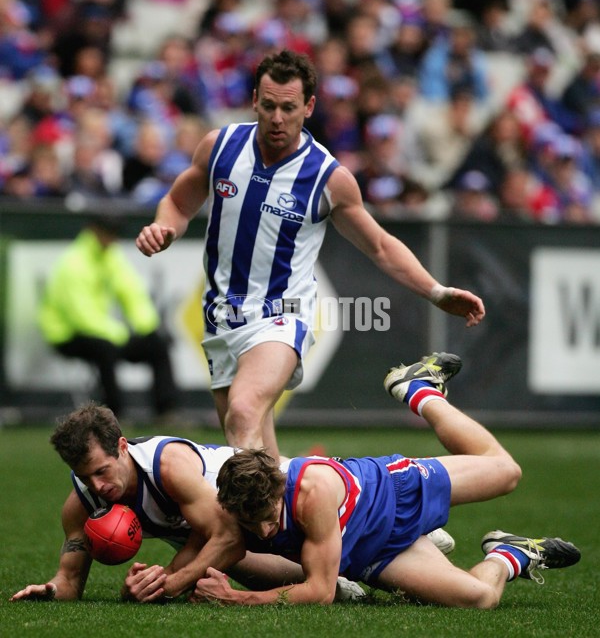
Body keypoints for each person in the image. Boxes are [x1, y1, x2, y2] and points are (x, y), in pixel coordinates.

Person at [135, 50, 485, 460]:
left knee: (243, 414)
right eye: (268, 106)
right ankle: (311, 515)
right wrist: (164, 229)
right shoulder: (220, 147)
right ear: (254, 100)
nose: (277, 118)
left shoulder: (326, 176)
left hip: (281, 315)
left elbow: (379, 245)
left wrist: (437, 292)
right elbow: (178, 203)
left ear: (309, 106)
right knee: (256, 457)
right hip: (221, 316)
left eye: (288, 107)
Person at [193, 352, 581, 607]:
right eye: (250, 521)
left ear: (278, 488)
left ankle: (419, 390)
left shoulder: (313, 493)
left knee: (507, 473)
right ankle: (510, 554)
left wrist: (234, 599)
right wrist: (170, 581)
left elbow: (319, 591)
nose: (262, 530)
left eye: (267, 515)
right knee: (478, 598)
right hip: (376, 555)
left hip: (399, 492)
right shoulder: (236, 501)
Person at [8, 401, 416, 603]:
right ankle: (343, 577)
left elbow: (227, 539)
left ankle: (401, 534)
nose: (97, 485)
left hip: (280, 500)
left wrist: (166, 584)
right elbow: (71, 578)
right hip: (230, 529)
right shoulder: (81, 501)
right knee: (252, 573)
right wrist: (51, 588)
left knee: (280, 565)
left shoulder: (167, 467)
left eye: (101, 471)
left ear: (121, 446)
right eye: (84, 477)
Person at [38, 215, 180, 421]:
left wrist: (147, 327)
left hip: (104, 332)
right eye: (109, 233)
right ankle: (113, 416)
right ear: (94, 231)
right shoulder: (73, 262)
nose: (113, 238)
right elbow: (81, 316)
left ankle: (167, 412)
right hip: (67, 336)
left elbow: (131, 292)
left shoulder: (111, 257)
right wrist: (119, 335)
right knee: (105, 349)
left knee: (156, 345)